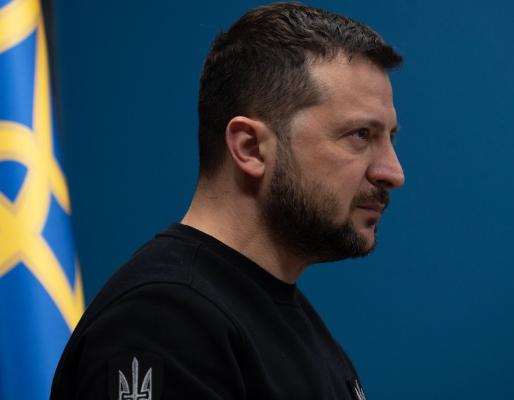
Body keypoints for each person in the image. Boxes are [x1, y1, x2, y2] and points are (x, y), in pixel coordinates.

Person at [50, 2, 404, 399]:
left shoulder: (283, 316)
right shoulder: (163, 321)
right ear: (250, 148)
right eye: (360, 135)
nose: (393, 172)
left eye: (390, 137)